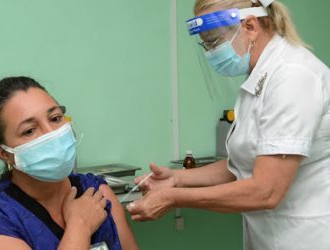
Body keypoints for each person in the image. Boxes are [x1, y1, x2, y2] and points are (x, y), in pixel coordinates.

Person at [126, 0, 330, 249]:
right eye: (206, 43)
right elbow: (242, 163)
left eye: (214, 41)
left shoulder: (293, 76)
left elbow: (267, 190)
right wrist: (176, 179)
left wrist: (173, 197)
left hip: (307, 237)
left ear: (250, 27)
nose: (210, 51)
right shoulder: (259, 76)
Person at [0, 76, 138, 250]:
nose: (51, 134)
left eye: (55, 118)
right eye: (30, 130)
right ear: (4, 153)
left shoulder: (96, 192)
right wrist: (79, 227)